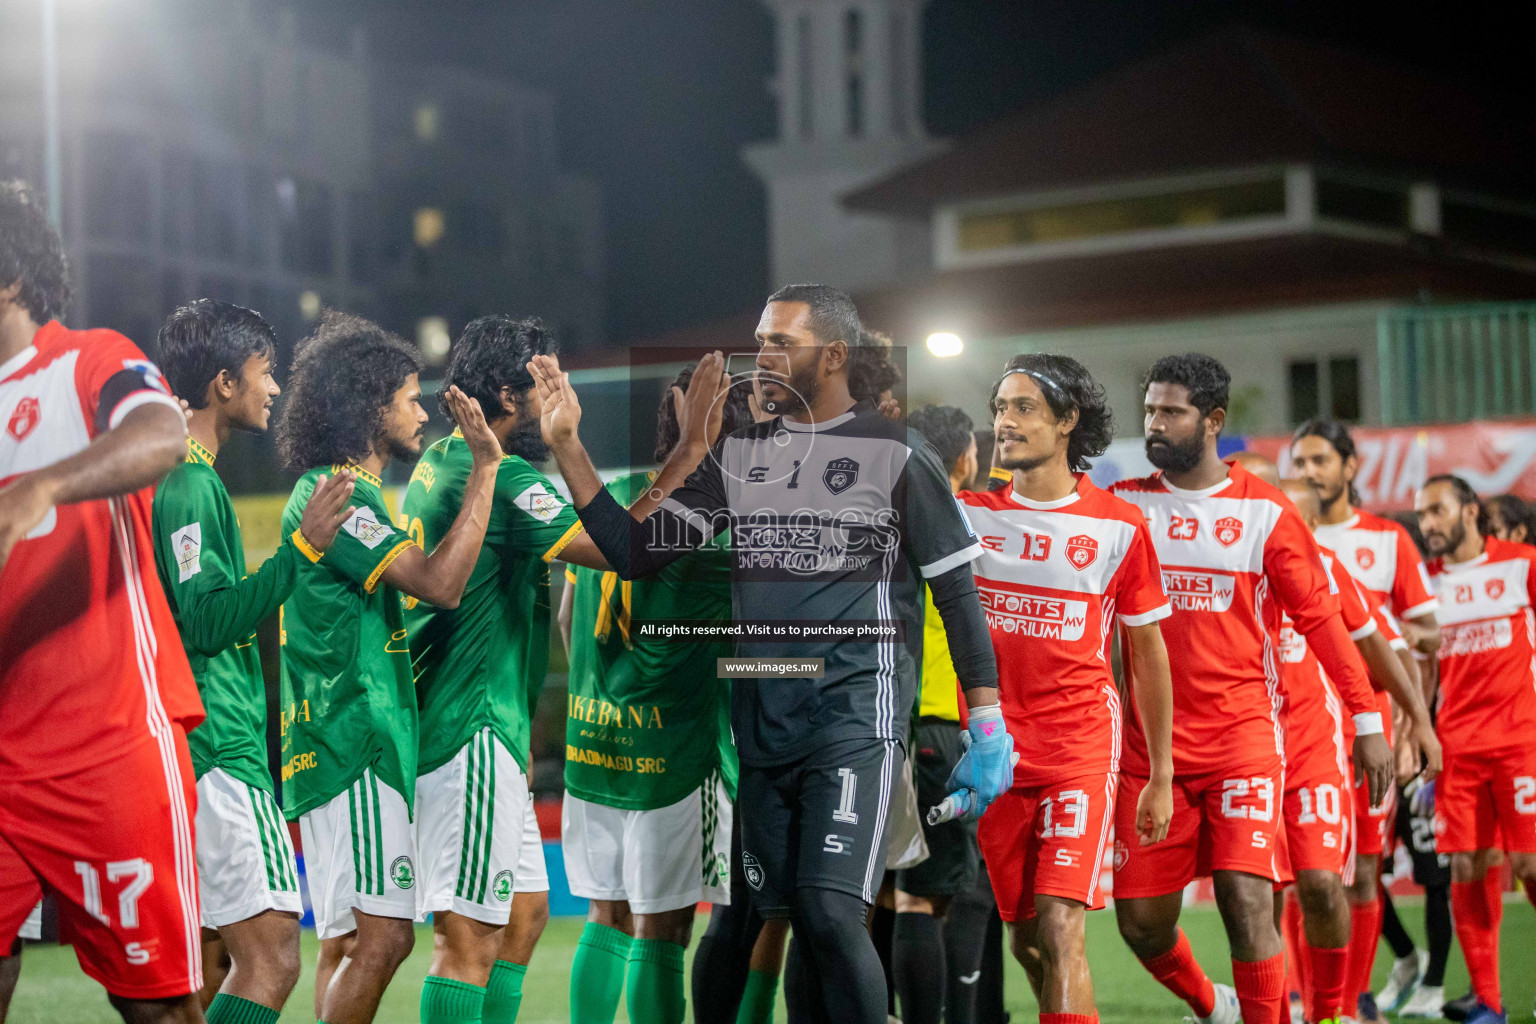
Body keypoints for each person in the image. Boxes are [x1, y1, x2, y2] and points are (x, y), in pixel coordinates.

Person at [530, 284, 1006, 1024]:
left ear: (837, 355)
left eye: (783, 342)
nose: (765, 357)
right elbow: (632, 550)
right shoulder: (741, 460)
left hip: (855, 724)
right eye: (762, 340)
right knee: (782, 917)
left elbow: (958, 597)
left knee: (828, 912)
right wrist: (567, 446)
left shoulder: (900, 456)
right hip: (762, 732)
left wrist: (988, 723)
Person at [1110, 354, 1393, 1024]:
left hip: (1242, 741)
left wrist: (1368, 721)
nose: (1155, 422)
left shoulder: (1264, 512)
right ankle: (1216, 1005)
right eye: (1150, 408)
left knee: (1247, 899)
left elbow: (1322, 620)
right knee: (1141, 925)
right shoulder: (1122, 506)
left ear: (1213, 421)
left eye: (1171, 411)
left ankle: (1320, 1012)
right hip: (1149, 758)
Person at [0, 179, 204, 1024]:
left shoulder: (85, 359)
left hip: (108, 749)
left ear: (9, 275)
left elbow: (163, 434)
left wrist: (42, 485)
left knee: (158, 1011)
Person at [275, 311, 504, 1024]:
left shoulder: (335, 489)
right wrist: (487, 467)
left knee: (344, 943)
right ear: (369, 408)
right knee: (387, 937)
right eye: (407, 397)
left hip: (336, 743)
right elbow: (441, 584)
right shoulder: (340, 495)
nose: (420, 410)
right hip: (353, 743)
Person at [152, 300, 358, 1024]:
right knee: (270, 955)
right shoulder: (186, 483)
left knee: (231, 958)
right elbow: (206, 621)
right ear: (223, 383)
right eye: (265, 372)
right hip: (218, 745)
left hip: (213, 743)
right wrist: (300, 552)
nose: (274, 388)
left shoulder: (193, 477)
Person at [401, 315, 611, 1024]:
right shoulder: (504, 474)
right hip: (468, 728)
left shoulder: (441, 457)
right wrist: (571, 441)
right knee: (467, 938)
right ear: (505, 394)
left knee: (523, 917)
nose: (557, 397)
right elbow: (618, 551)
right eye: (545, 384)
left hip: (486, 725)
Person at [955, 355, 1177, 1023]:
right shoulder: (967, 514)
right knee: (1026, 940)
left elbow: (1148, 653)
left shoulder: (1119, 525)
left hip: (1080, 746)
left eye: (1023, 407)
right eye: (1000, 407)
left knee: (1061, 927)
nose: (1005, 421)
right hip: (995, 755)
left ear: (1067, 420)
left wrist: (1161, 771)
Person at [558, 364, 752, 1024]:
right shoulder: (721, 527)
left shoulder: (611, 499)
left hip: (594, 743)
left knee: (605, 915)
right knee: (661, 932)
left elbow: (565, 619)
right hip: (673, 755)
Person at [1271, 476, 1440, 1024]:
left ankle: (1351, 1000)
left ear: (1313, 526)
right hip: (1274, 750)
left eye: (1293, 519)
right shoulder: (1241, 565)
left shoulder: (1328, 570)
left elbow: (1392, 650)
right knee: (1291, 884)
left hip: (1352, 746)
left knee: (1359, 875)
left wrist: (1415, 723)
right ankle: (1297, 1001)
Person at [1415, 475, 1536, 1024]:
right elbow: (1419, 665)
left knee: (1530, 865)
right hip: (1457, 750)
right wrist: (1414, 731)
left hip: (1520, 742)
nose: (1428, 524)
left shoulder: (1521, 563)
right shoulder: (1423, 583)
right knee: (1465, 866)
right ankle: (1490, 1001)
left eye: (1438, 511)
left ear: (1470, 510)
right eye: (1422, 515)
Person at [893, 405, 986, 1024]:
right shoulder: (951, 524)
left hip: (878, 723)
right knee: (926, 900)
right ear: (964, 459)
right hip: (934, 724)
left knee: (880, 897)